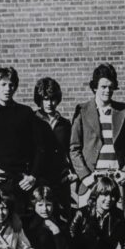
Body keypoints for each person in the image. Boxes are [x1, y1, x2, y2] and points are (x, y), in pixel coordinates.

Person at [0, 66, 46, 218]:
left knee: (22, 229)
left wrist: (33, 176)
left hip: (22, 182)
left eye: (11, 85)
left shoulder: (25, 113)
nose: (8, 89)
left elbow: (39, 148)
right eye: (3, 85)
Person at [69, 64, 125, 208]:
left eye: (111, 87)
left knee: (116, 224)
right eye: (103, 87)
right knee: (89, 224)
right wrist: (85, 176)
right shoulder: (82, 110)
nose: (107, 91)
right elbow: (74, 148)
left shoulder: (122, 111)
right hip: (92, 180)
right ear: (95, 87)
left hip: (116, 179)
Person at [33, 77, 76, 217]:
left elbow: (71, 150)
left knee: (62, 216)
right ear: (39, 99)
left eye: (52, 99)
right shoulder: (32, 120)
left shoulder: (64, 124)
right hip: (38, 179)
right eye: (45, 99)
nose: (49, 103)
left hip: (60, 179)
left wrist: (73, 172)